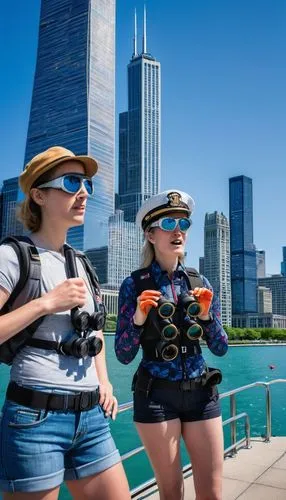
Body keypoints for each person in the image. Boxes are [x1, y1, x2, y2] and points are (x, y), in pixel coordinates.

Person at [0, 146, 130, 500]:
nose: (84, 192)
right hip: (34, 419)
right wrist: (46, 303)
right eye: (72, 182)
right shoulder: (12, 256)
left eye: (85, 183)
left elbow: (94, 331)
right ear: (39, 195)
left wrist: (104, 382)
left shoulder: (82, 263)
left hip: (91, 417)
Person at [115, 190, 228, 500]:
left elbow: (220, 347)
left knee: (213, 493)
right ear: (151, 234)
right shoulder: (134, 284)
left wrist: (206, 318)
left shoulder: (200, 283)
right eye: (168, 223)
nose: (178, 231)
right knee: (171, 492)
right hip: (156, 396)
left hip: (202, 392)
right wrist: (138, 318)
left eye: (183, 224)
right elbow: (123, 355)